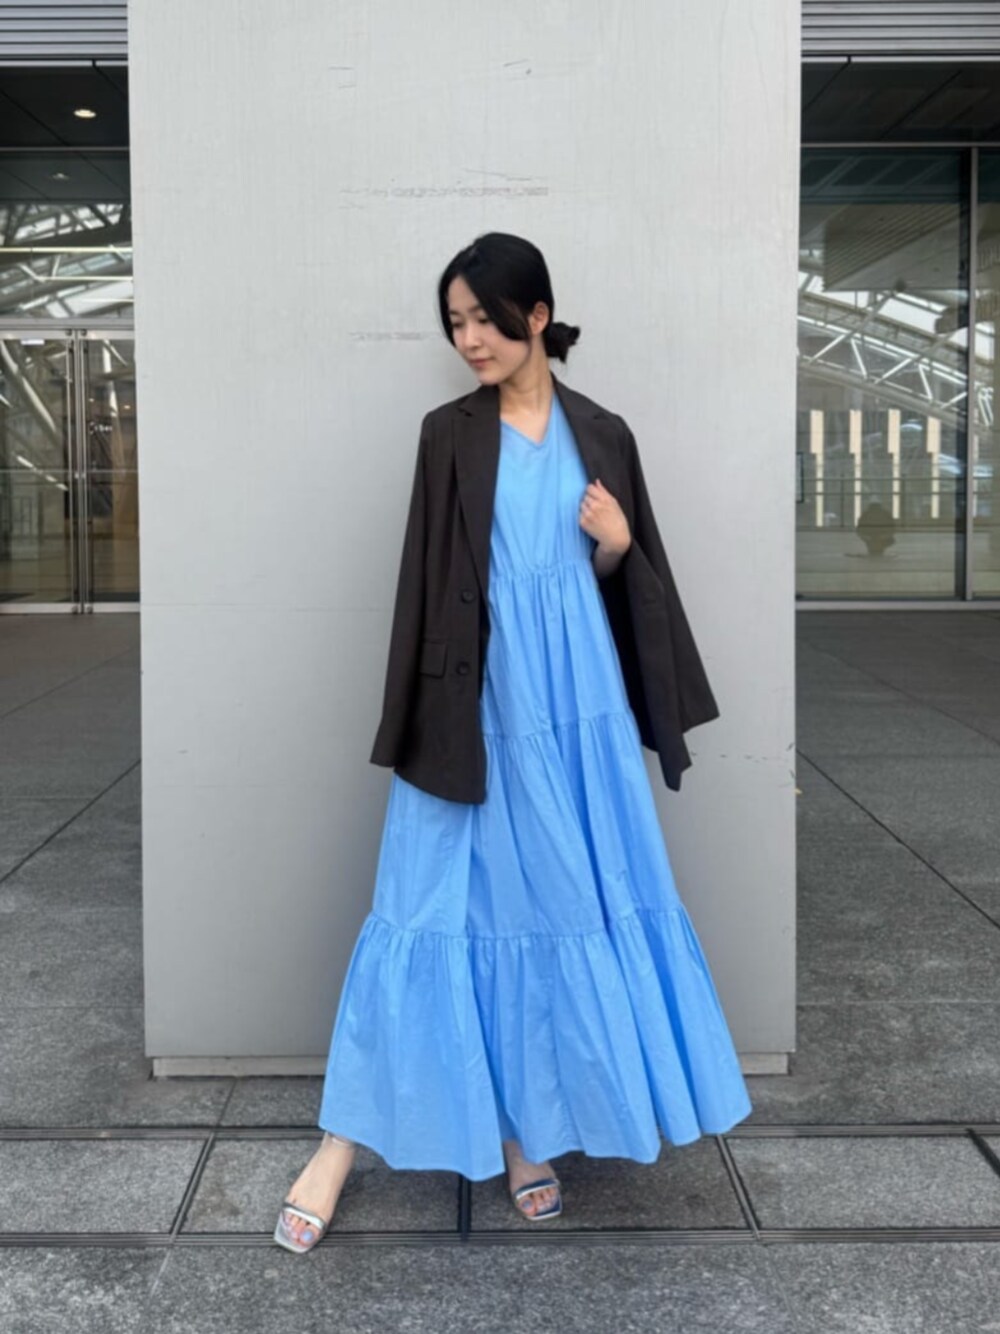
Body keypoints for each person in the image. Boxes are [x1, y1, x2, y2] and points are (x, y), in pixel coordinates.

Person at [274, 233, 753, 1254]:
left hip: (577, 704)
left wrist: (616, 545)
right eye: (454, 323)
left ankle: (523, 1130)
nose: (468, 340)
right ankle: (337, 1145)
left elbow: (623, 579)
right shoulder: (447, 433)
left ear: (536, 315)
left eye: (483, 319)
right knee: (422, 900)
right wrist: (413, 716)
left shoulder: (603, 432)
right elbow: (423, 581)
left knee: (553, 903)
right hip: (476, 697)